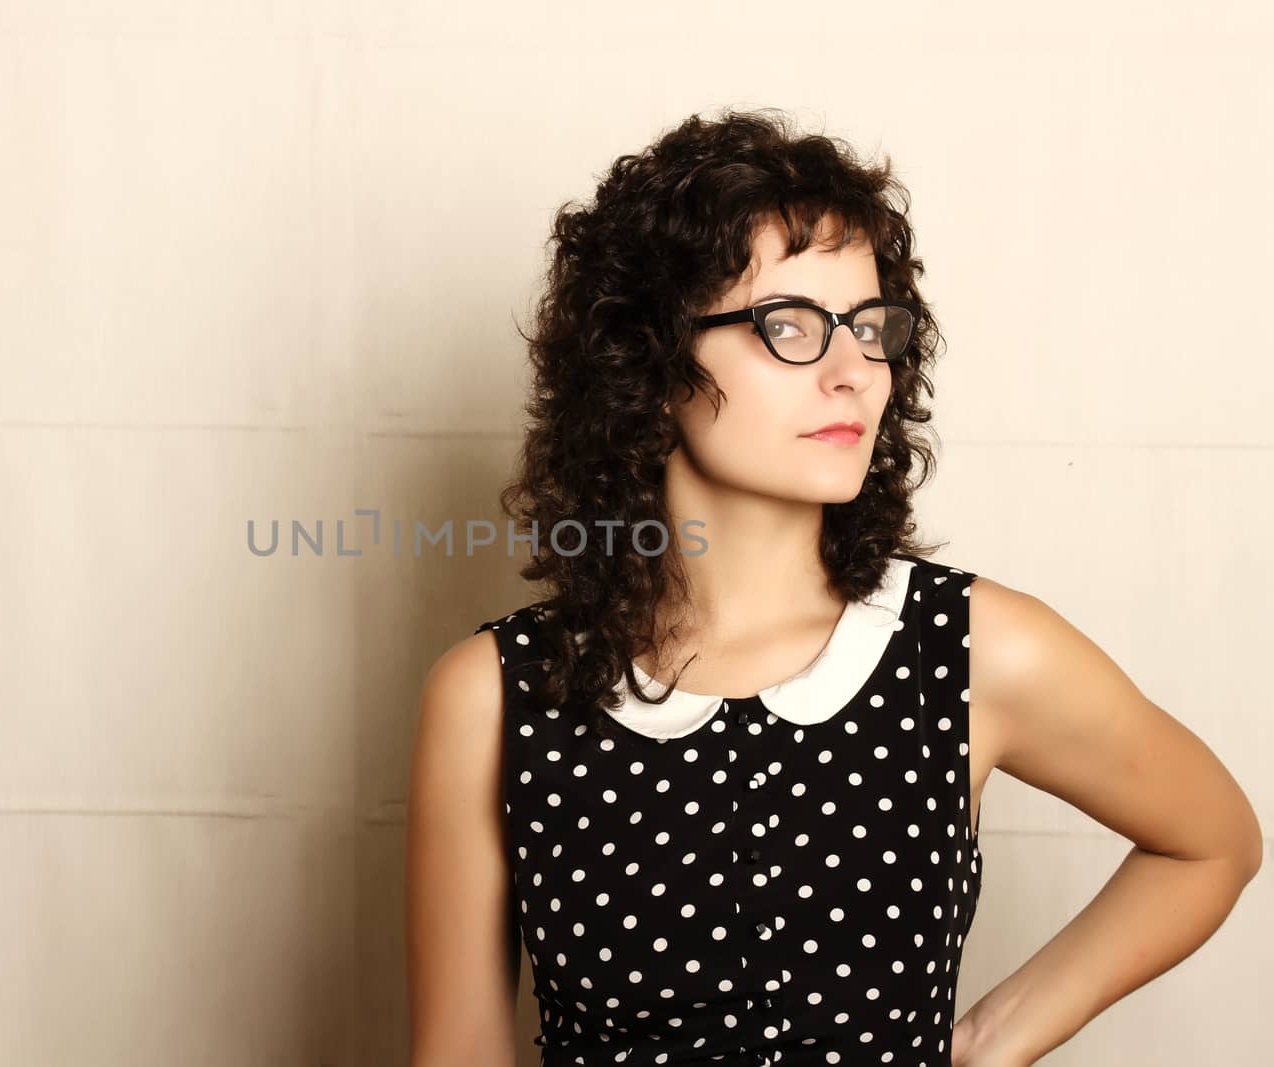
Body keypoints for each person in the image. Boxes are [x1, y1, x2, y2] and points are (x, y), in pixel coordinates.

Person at [404, 107, 1262, 1066]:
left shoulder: (973, 649)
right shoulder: (493, 694)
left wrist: (982, 1044)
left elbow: (1214, 839)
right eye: (790, 328)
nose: (855, 371)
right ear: (648, 362)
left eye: (871, 326)